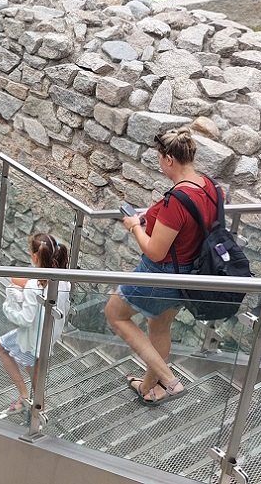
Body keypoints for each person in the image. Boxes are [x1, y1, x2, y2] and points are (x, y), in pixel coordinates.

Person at [104, 127, 217, 405]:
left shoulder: (176, 201)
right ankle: (149, 389)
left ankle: (169, 380)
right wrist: (151, 218)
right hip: (190, 275)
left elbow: (155, 251)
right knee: (159, 327)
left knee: (115, 314)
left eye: (159, 158)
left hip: (161, 275)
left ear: (169, 159)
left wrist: (134, 227)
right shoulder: (209, 187)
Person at [0, 233, 71, 416]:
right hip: (49, 333)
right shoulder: (64, 281)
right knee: (33, 369)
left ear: (35, 257)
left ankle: (32, 404)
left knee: (3, 349)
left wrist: (8, 307)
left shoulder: (33, 286)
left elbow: (25, 319)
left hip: (33, 337)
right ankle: (34, 405)